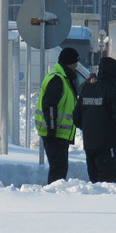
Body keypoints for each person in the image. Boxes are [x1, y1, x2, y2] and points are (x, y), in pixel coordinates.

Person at [72, 56, 116, 183]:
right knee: (107, 182)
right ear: (113, 74)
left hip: (89, 144)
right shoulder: (114, 91)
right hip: (107, 146)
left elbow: (76, 117)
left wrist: (90, 128)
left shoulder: (87, 89)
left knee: (94, 183)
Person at [35, 47, 80, 184]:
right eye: (75, 62)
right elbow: (49, 106)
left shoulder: (63, 78)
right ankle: (53, 198)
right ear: (70, 63)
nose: (77, 65)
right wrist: (52, 129)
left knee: (59, 168)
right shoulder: (58, 79)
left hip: (58, 133)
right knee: (58, 170)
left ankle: (54, 195)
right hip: (55, 133)